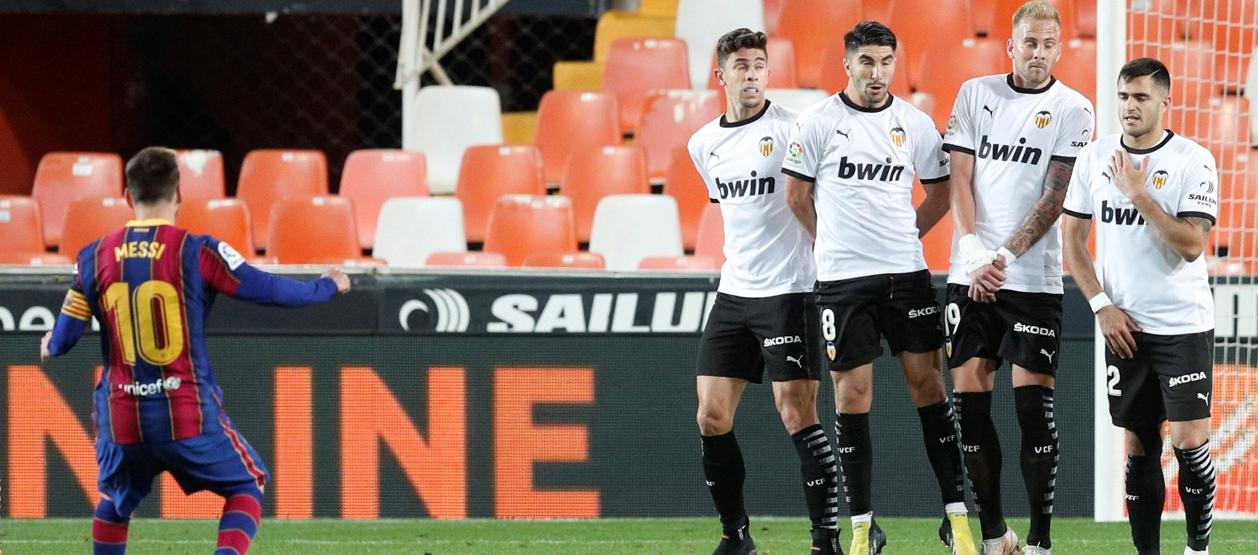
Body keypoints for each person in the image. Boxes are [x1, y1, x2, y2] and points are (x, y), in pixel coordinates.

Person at [40, 147, 351, 555]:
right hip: (185, 412)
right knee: (246, 485)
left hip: (122, 417)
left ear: (129, 197)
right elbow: (270, 290)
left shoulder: (91, 257)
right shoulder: (196, 251)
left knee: (116, 501)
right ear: (179, 195)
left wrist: (50, 342)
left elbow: (61, 340)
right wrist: (326, 285)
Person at [783, 20, 976, 555]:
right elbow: (796, 197)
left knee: (931, 389)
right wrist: (831, 247)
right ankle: (864, 525)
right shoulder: (817, 122)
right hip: (843, 282)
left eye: (886, 62)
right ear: (848, 65)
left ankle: (956, 519)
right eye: (866, 61)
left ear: (896, 64)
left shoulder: (913, 124)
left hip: (905, 276)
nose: (877, 72)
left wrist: (905, 234)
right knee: (851, 395)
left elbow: (940, 193)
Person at [940, 1, 1095, 553]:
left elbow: (1056, 197)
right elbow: (959, 177)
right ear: (1011, 45)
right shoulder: (975, 94)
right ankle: (993, 535)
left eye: (1048, 44)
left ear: (1059, 47)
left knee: (1034, 413)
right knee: (972, 413)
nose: (1037, 53)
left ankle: (1040, 542)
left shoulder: (1075, 109)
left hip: (1032, 282)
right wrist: (971, 250)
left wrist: (999, 260)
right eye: (1028, 42)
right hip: (970, 277)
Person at [690, 28, 841, 555]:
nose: (751, 74)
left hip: (790, 291)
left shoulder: (793, 130)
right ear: (722, 76)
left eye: (759, 64)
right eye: (741, 66)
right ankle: (736, 537)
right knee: (710, 416)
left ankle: (827, 539)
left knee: (797, 413)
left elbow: (821, 197)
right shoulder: (703, 143)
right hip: (734, 294)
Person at [1062, 57, 1218, 555]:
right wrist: (1101, 305)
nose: (1130, 106)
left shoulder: (1194, 160)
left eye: (1142, 97)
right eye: (1124, 96)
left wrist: (1139, 193)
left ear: (1165, 103)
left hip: (1183, 326)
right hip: (1122, 327)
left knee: (1190, 442)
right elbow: (1073, 240)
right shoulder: (1094, 159)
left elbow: (1191, 244)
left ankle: (1198, 548)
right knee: (1137, 442)